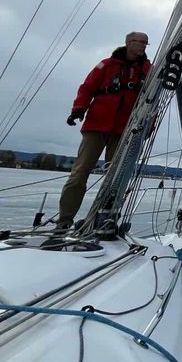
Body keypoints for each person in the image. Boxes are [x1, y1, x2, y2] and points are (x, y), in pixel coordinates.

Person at [57, 32, 151, 228]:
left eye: (145, 43)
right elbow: (87, 87)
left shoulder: (148, 71)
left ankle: (103, 219)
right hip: (96, 125)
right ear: (127, 42)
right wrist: (78, 109)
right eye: (138, 42)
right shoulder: (106, 65)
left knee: (116, 177)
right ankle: (64, 220)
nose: (142, 45)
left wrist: (149, 124)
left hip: (125, 130)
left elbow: (152, 99)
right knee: (80, 173)